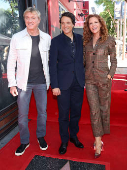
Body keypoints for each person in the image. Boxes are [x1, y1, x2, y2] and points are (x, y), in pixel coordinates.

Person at [7, 7, 51, 156]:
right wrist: (11, 83)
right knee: (22, 115)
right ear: (24, 20)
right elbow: (11, 61)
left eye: (33, 18)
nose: (30, 20)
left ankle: (40, 136)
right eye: (27, 18)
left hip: (41, 82)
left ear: (39, 20)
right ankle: (24, 141)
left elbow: (49, 61)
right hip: (22, 83)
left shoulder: (47, 38)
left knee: (42, 112)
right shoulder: (17, 37)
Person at [49, 12, 85, 154]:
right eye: (63, 23)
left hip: (78, 82)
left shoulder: (81, 39)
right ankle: (64, 140)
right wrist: (55, 85)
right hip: (62, 83)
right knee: (64, 114)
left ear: (73, 24)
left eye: (68, 22)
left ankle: (73, 136)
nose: (65, 25)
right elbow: (52, 65)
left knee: (76, 112)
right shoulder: (56, 41)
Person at [83, 14, 117, 158]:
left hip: (104, 81)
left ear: (100, 24)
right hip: (90, 80)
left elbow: (114, 61)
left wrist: (110, 75)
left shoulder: (109, 40)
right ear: (88, 26)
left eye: (95, 22)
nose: (93, 25)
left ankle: (101, 137)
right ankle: (98, 142)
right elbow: (83, 62)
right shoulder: (86, 42)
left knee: (104, 109)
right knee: (94, 111)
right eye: (90, 23)